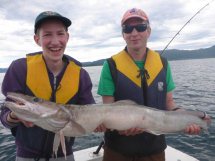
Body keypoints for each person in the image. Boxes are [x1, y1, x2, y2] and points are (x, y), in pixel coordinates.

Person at [96, 8, 210, 161]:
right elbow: (107, 111)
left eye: (141, 27)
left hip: (154, 150)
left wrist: (189, 119)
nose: (134, 33)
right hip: (117, 150)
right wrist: (120, 128)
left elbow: (169, 103)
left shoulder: (162, 64)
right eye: (128, 28)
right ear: (123, 34)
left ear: (149, 31)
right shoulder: (110, 66)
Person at [0, 11, 95, 161]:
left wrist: (99, 124)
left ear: (67, 37)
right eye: (47, 35)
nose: (55, 41)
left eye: (60, 33)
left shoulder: (81, 75)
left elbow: (90, 113)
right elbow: (4, 117)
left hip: (65, 154)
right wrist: (14, 116)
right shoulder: (19, 68)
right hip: (26, 155)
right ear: (37, 39)